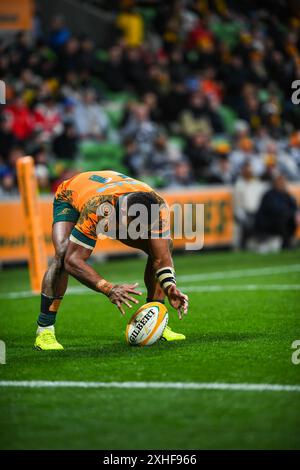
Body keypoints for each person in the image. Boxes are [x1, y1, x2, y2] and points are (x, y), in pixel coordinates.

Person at [34, 170, 188, 350]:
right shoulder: (97, 207)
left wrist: (170, 286)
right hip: (72, 194)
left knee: (162, 246)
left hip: (112, 195)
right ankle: (44, 329)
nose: (138, 231)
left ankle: (156, 317)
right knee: (63, 253)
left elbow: (162, 258)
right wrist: (108, 288)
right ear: (123, 214)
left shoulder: (158, 207)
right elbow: (73, 261)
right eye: (135, 226)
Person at [255, 173, 298, 249]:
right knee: (283, 218)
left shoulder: (287, 195)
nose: (282, 184)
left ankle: (289, 240)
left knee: (293, 219)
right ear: (275, 183)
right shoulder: (269, 195)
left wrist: (294, 214)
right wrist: (290, 213)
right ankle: (286, 243)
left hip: (284, 220)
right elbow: (276, 210)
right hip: (268, 222)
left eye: (283, 181)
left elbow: (294, 207)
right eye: (280, 181)